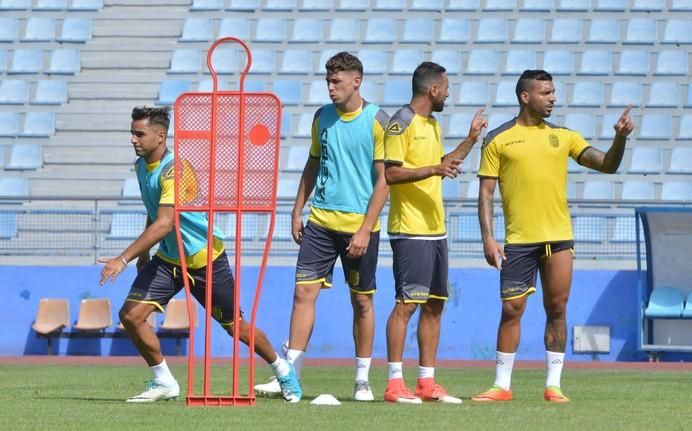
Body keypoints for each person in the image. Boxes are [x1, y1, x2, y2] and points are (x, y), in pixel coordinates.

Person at [99, 106, 302, 403]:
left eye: (139, 134)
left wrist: (124, 257)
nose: (133, 139)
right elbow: (156, 211)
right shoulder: (142, 166)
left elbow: (166, 221)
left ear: (160, 135)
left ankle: (283, 370)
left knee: (237, 329)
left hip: (203, 259)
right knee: (131, 316)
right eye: (132, 133)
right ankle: (164, 382)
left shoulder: (175, 170)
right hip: (170, 259)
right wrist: (148, 250)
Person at [471, 70, 634, 403]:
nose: (553, 98)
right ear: (525, 96)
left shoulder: (565, 136)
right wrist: (488, 237)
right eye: (546, 93)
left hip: (559, 239)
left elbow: (606, 165)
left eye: (553, 92)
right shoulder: (498, 139)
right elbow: (485, 193)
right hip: (519, 240)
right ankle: (502, 385)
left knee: (557, 309)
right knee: (512, 309)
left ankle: (554, 386)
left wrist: (620, 138)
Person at [254, 52, 390, 402]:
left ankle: (362, 380)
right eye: (328, 81)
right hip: (320, 223)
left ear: (356, 81)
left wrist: (364, 229)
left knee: (361, 302)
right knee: (302, 294)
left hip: (359, 227)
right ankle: (290, 374)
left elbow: (384, 182)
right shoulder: (322, 118)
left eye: (337, 81)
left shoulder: (378, 120)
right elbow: (313, 165)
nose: (330, 88)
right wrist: (297, 209)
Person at [383, 62, 486, 404]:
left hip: (435, 229)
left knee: (434, 305)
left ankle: (426, 383)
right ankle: (395, 384)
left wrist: (471, 141)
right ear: (433, 90)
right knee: (406, 304)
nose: (448, 94)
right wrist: (433, 168)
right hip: (409, 229)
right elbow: (392, 175)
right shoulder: (402, 122)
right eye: (446, 88)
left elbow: (443, 165)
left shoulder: (432, 124)